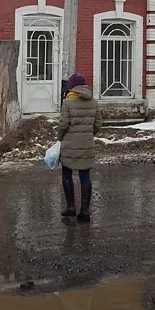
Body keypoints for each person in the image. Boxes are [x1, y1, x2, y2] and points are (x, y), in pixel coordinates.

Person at [55, 72, 101, 222]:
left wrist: (60, 138)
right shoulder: (93, 102)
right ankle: (85, 212)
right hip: (87, 144)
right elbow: (98, 125)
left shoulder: (68, 103)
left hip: (69, 145)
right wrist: (88, 134)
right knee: (85, 177)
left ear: (72, 87)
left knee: (67, 175)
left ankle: (70, 208)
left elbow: (63, 125)